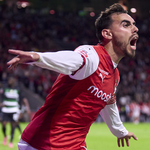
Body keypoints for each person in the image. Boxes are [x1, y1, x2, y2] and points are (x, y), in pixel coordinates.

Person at [7, 3, 139, 150]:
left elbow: (109, 104)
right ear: (107, 33)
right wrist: (37, 57)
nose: (135, 29)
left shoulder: (115, 75)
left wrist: (120, 132)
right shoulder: (91, 55)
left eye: (134, 25)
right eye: (126, 25)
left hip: (74, 145)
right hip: (43, 143)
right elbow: (73, 59)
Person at [0, 77, 21, 148]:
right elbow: (1, 97)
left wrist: (19, 109)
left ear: (13, 81)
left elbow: (21, 99)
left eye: (10, 80)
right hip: (5, 109)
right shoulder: (5, 88)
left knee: (13, 126)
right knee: (3, 124)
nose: (9, 81)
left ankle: (11, 141)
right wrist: (1, 103)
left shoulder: (17, 89)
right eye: (8, 80)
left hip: (14, 110)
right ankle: (5, 136)